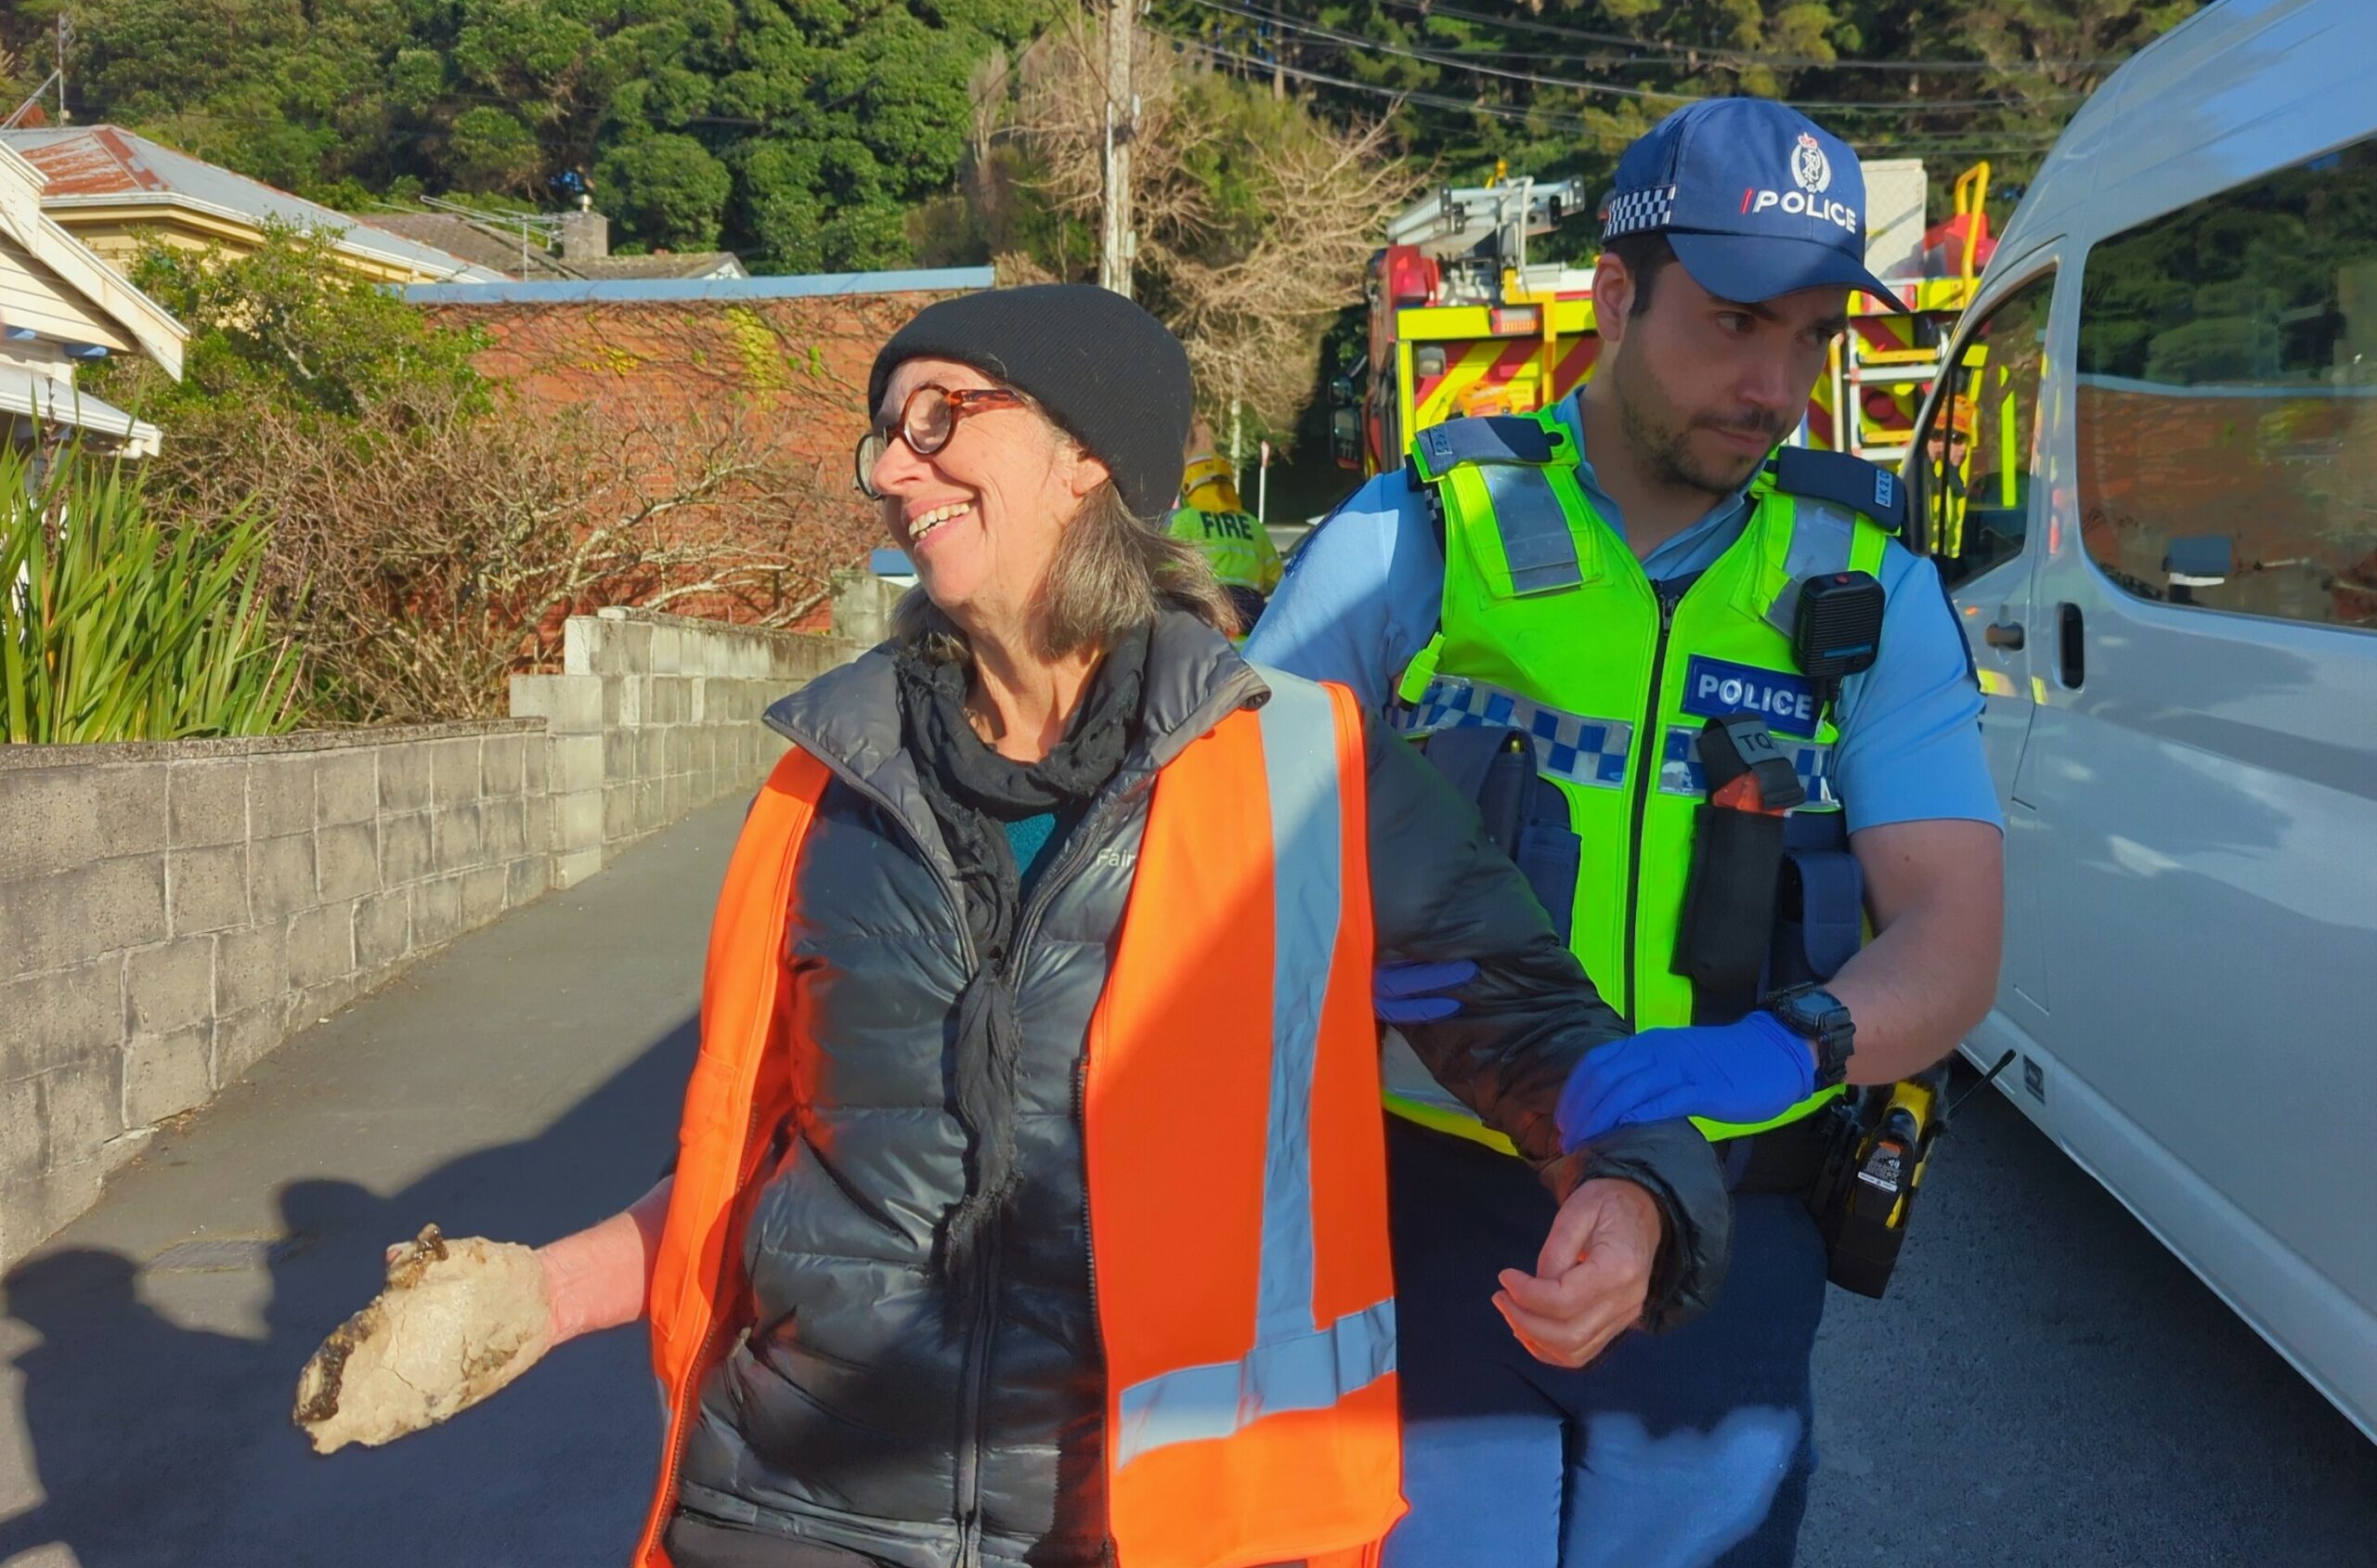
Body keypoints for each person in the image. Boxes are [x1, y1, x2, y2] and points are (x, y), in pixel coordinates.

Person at [294, 284, 1733, 1568]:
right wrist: (534, 1297)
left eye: (939, 417)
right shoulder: (823, 789)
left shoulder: (1314, 771)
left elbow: (1535, 1021)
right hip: (793, 1507)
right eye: (879, 438)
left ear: (1089, 454)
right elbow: (780, 1167)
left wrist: (1635, 1181)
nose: (891, 469)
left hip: (1142, 1525)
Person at [1245, 99, 2007, 1568]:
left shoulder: (1868, 590)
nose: (1772, 382)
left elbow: (1953, 936)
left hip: (1734, 1224)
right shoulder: (1409, 543)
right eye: (1732, 323)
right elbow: (1224, 847)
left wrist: (1790, 1048)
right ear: (1611, 296)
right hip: (1431, 1204)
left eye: (1809, 338)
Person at [1168, 415, 1284, 636]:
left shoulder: (1186, 520)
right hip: (1250, 642)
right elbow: (1276, 579)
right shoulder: (1253, 525)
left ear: (1189, 486)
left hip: (1204, 632)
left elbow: (1167, 575)